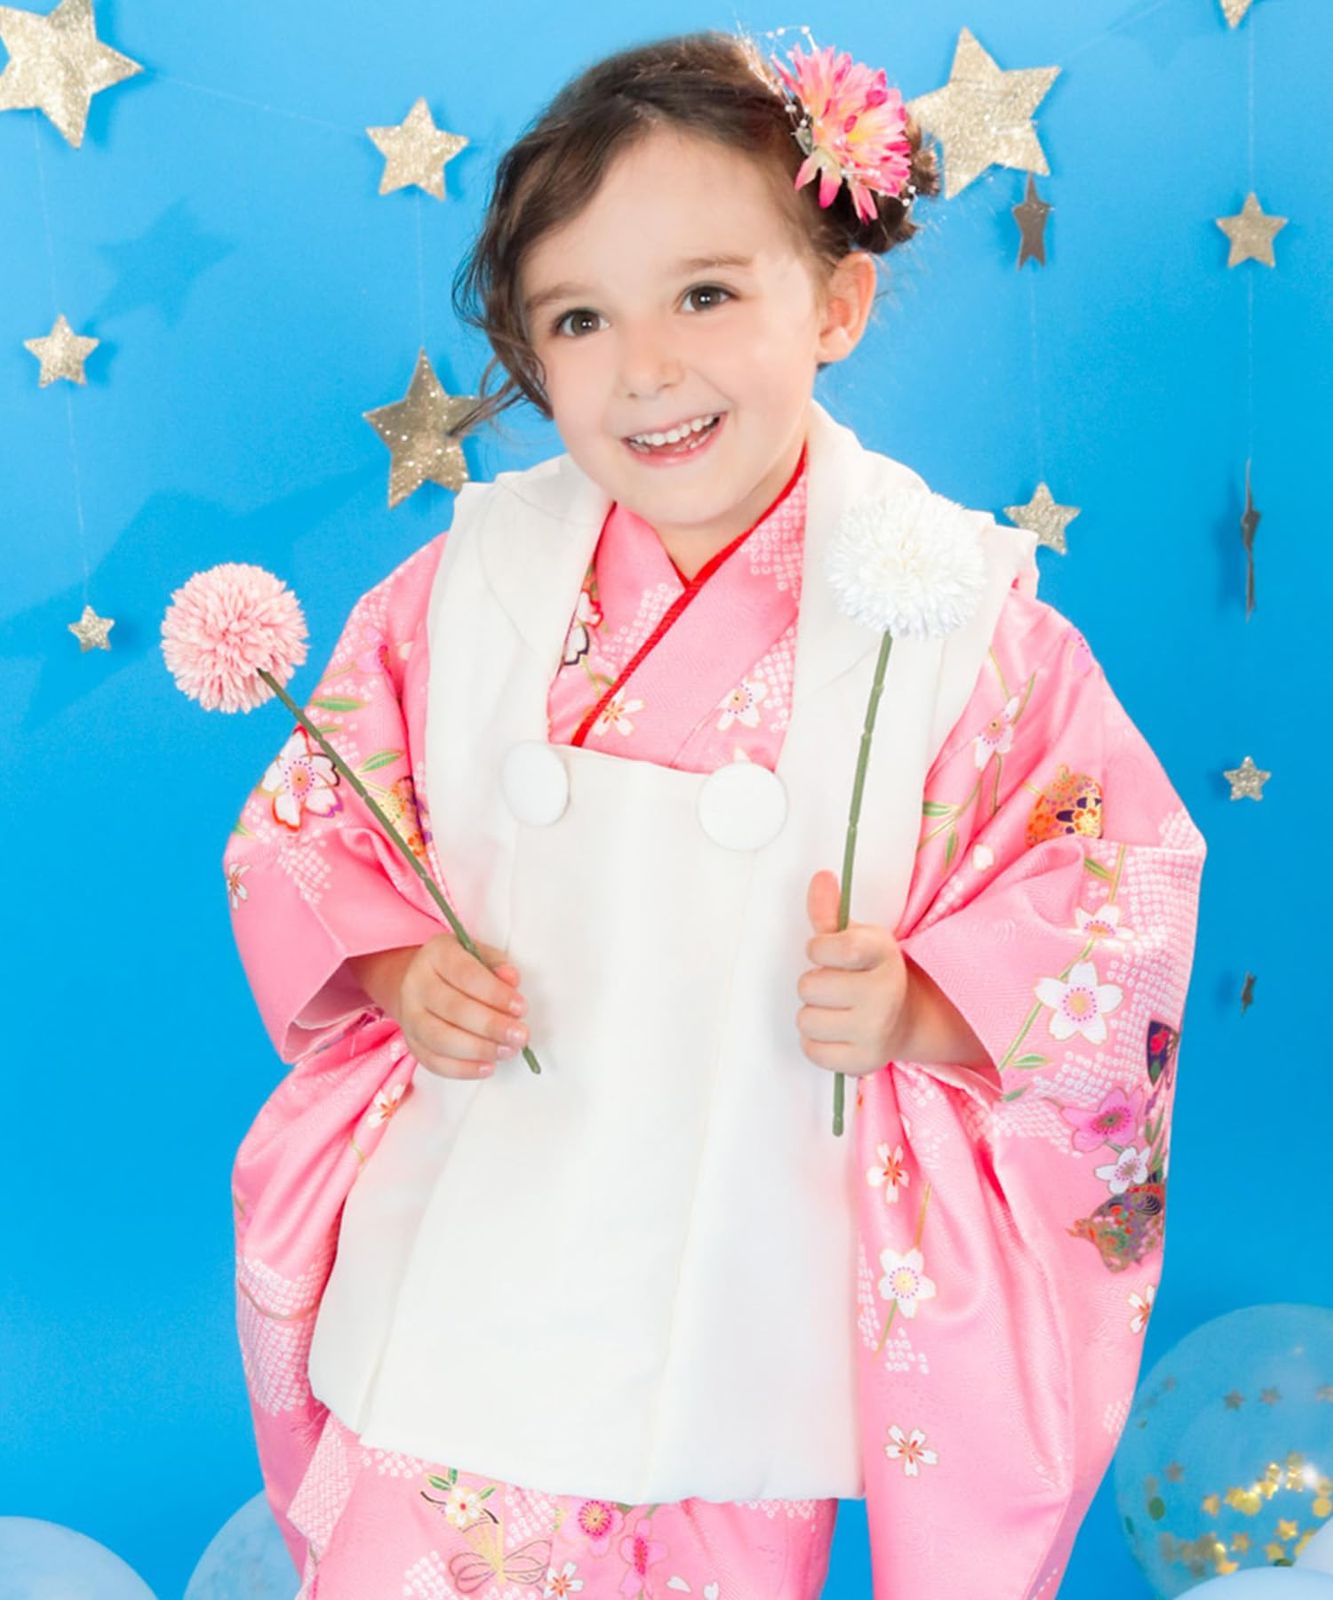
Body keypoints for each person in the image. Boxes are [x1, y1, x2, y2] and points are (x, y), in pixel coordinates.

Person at [223, 29, 1207, 1600]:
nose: (645, 368)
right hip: (492, 1220)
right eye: (578, 319)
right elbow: (309, 827)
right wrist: (402, 970)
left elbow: (1113, 885)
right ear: (530, 355)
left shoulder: (956, 619)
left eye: (704, 294)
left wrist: (926, 1002)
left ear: (835, 302)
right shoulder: (465, 588)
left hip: (752, 1254)